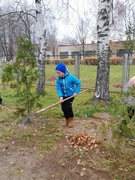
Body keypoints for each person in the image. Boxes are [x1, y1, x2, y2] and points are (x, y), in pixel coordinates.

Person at [55, 62, 81, 128]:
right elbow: (58, 88)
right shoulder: (58, 79)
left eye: (59, 73)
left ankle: (71, 119)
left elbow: (78, 83)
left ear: (63, 72)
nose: (58, 74)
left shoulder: (71, 77)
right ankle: (67, 119)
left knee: (68, 107)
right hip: (63, 96)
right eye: (57, 73)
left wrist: (76, 92)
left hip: (70, 95)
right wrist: (60, 96)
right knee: (63, 108)